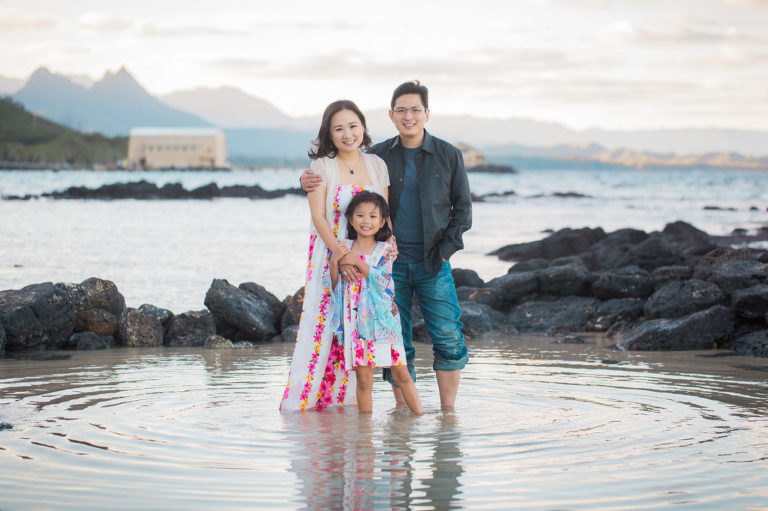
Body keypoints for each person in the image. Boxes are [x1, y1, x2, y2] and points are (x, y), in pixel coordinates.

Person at [301, 81, 472, 411]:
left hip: (433, 261)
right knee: (394, 341)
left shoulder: (449, 155)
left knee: (449, 335)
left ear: (427, 113)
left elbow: (462, 210)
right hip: (385, 266)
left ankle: (448, 415)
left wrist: (445, 252)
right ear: (391, 115)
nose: (409, 116)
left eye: (416, 110)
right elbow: (342, 167)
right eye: (402, 110)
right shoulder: (378, 156)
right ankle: (403, 414)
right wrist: (304, 179)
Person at [280, 100, 392, 412]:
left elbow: (384, 213)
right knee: (324, 322)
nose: (347, 134)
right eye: (338, 128)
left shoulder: (378, 166)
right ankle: (307, 404)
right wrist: (342, 254)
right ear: (329, 133)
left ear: (363, 127)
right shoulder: (321, 166)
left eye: (353, 126)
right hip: (329, 257)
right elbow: (318, 217)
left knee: (360, 326)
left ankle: (349, 404)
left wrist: (389, 243)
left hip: (368, 261)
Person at [330, 191, 423, 415]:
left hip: (384, 322)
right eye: (360, 215)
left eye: (373, 217)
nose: (366, 221)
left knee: (401, 373)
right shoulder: (344, 246)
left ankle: (419, 418)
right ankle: (365, 434)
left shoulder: (385, 249)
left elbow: (385, 284)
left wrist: (359, 264)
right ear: (351, 219)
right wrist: (337, 260)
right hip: (356, 324)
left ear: (382, 221)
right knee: (363, 379)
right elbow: (333, 283)